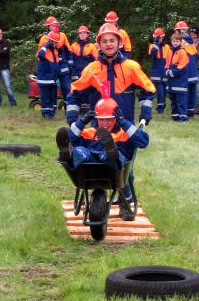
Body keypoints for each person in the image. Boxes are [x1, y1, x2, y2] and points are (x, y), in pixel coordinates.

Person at [66, 23, 155, 216]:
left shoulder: (131, 67)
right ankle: (100, 195)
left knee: (126, 170)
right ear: (98, 44)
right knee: (98, 161)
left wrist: (145, 114)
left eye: (112, 40)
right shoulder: (91, 69)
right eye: (104, 41)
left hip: (124, 125)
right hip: (100, 125)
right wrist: (73, 118)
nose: (108, 44)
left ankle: (125, 204)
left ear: (119, 43)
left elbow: (148, 89)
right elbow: (74, 93)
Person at [56, 97, 149, 220]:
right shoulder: (89, 132)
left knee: (114, 155)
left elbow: (143, 142)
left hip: (113, 167)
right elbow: (70, 137)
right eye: (101, 120)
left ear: (116, 118)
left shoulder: (124, 134)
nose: (105, 123)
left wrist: (124, 122)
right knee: (80, 152)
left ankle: (110, 153)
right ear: (96, 119)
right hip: (90, 161)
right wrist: (82, 122)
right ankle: (68, 154)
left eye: (109, 120)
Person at [38, 16, 73, 107]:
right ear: (48, 27)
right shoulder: (44, 38)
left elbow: (68, 50)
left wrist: (70, 62)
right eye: (52, 25)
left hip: (62, 65)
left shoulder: (62, 35)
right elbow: (40, 54)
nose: (55, 26)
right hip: (51, 66)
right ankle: (51, 109)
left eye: (56, 25)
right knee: (52, 89)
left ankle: (68, 109)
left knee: (66, 87)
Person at [174, 20, 198, 117]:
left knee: (184, 93)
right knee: (192, 92)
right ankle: (191, 111)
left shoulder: (181, 42)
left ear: (180, 30)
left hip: (186, 71)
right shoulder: (191, 41)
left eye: (176, 30)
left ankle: (184, 112)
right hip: (193, 70)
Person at [165, 32, 189, 122]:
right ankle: (175, 116)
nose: (175, 43)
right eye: (173, 41)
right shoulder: (170, 51)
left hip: (180, 81)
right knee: (173, 99)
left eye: (177, 41)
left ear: (180, 41)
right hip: (171, 81)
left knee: (181, 100)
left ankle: (183, 117)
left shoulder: (182, 52)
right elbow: (167, 63)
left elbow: (182, 67)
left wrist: (171, 72)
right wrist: (166, 70)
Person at [37, 31, 60, 119]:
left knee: (51, 98)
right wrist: (46, 45)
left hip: (52, 79)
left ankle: (51, 114)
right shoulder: (44, 49)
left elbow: (56, 65)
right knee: (45, 98)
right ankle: (46, 114)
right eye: (55, 42)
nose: (56, 44)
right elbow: (40, 54)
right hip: (44, 79)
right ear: (51, 41)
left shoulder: (55, 51)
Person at [148, 27, 170, 113]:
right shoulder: (152, 46)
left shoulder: (167, 46)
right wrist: (156, 43)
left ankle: (162, 106)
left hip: (164, 71)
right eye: (157, 37)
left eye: (160, 37)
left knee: (164, 91)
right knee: (160, 91)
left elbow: (169, 59)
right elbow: (153, 54)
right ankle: (160, 109)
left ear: (163, 37)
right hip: (156, 72)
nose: (159, 39)